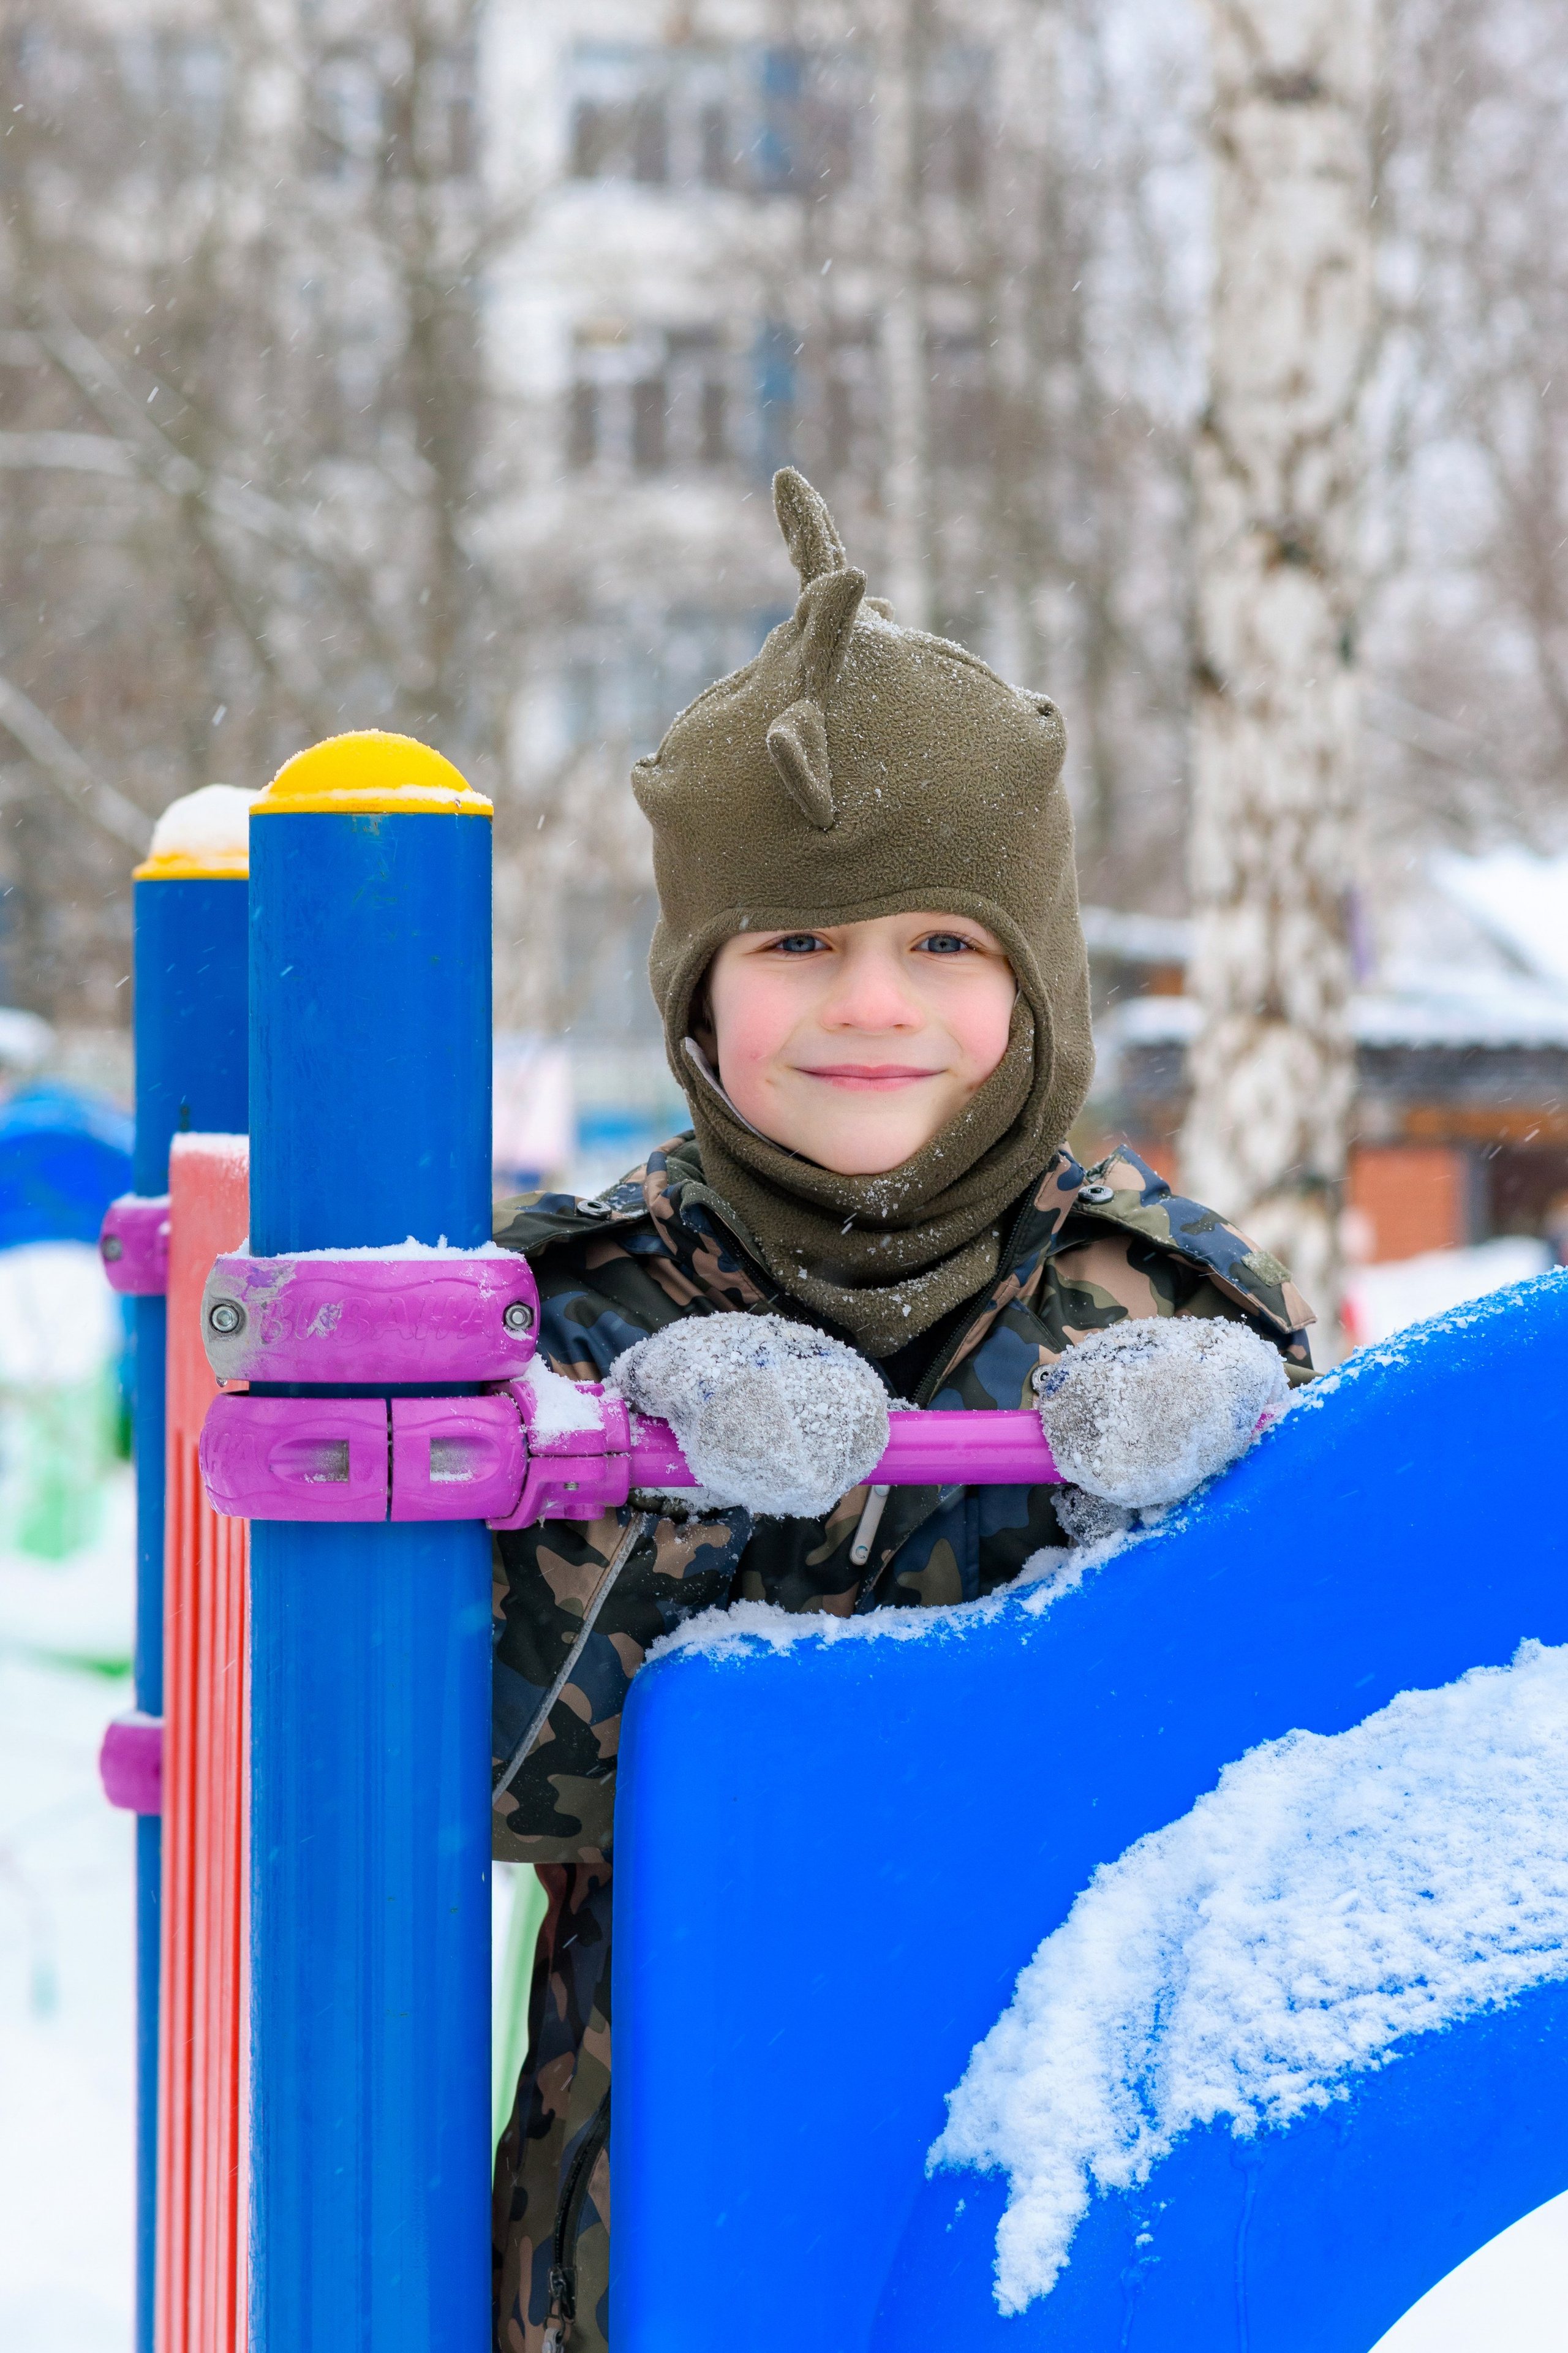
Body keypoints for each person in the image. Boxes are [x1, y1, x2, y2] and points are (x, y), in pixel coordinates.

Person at [488, 470, 1314, 2353]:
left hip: (1080, 2177)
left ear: (1039, 980)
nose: (872, 1003)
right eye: (794, 944)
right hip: (664, 2214)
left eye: (943, 942)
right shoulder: (572, 1311)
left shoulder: (1167, 1293)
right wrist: (647, 1487)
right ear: (698, 993)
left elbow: (1303, 1762)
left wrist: (1237, 1500)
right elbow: (460, 1765)